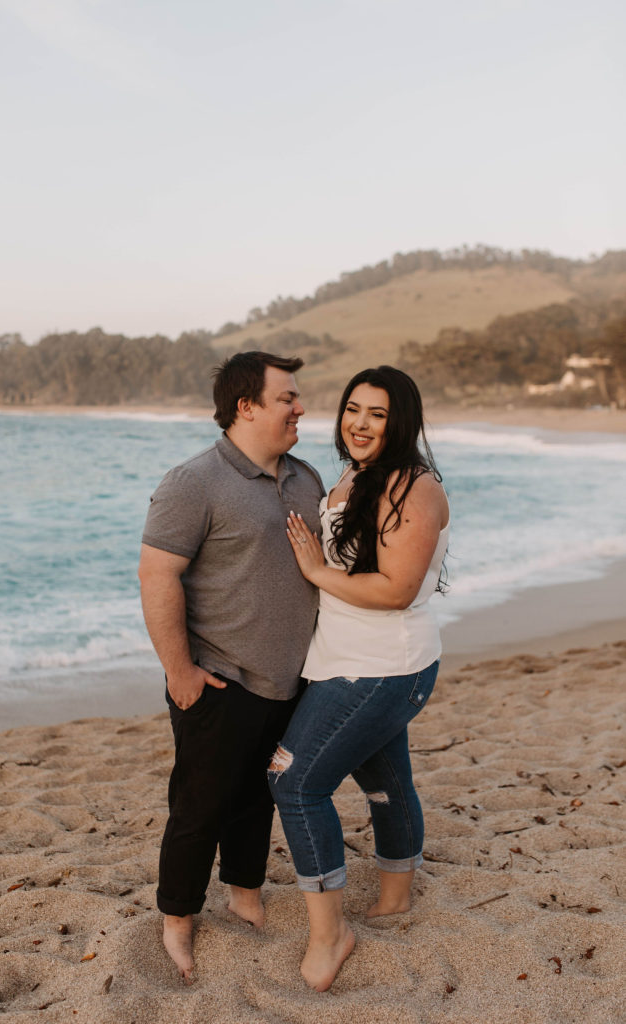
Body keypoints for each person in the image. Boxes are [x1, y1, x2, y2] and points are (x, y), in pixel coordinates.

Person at [138, 351, 324, 982]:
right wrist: (179, 671)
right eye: (287, 399)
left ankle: (244, 891)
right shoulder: (194, 481)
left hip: (291, 681)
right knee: (199, 805)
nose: (300, 408)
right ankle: (178, 920)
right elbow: (158, 575)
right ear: (246, 406)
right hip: (219, 679)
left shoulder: (305, 477)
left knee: (257, 795)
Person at [268, 365, 449, 992]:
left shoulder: (414, 487)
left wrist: (318, 574)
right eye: (352, 409)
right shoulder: (355, 474)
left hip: (383, 665)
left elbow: (397, 589)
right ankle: (396, 894)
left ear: (402, 421)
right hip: (349, 659)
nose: (360, 423)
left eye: (377, 413)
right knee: (383, 774)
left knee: (292, 783)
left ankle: (330, 934)